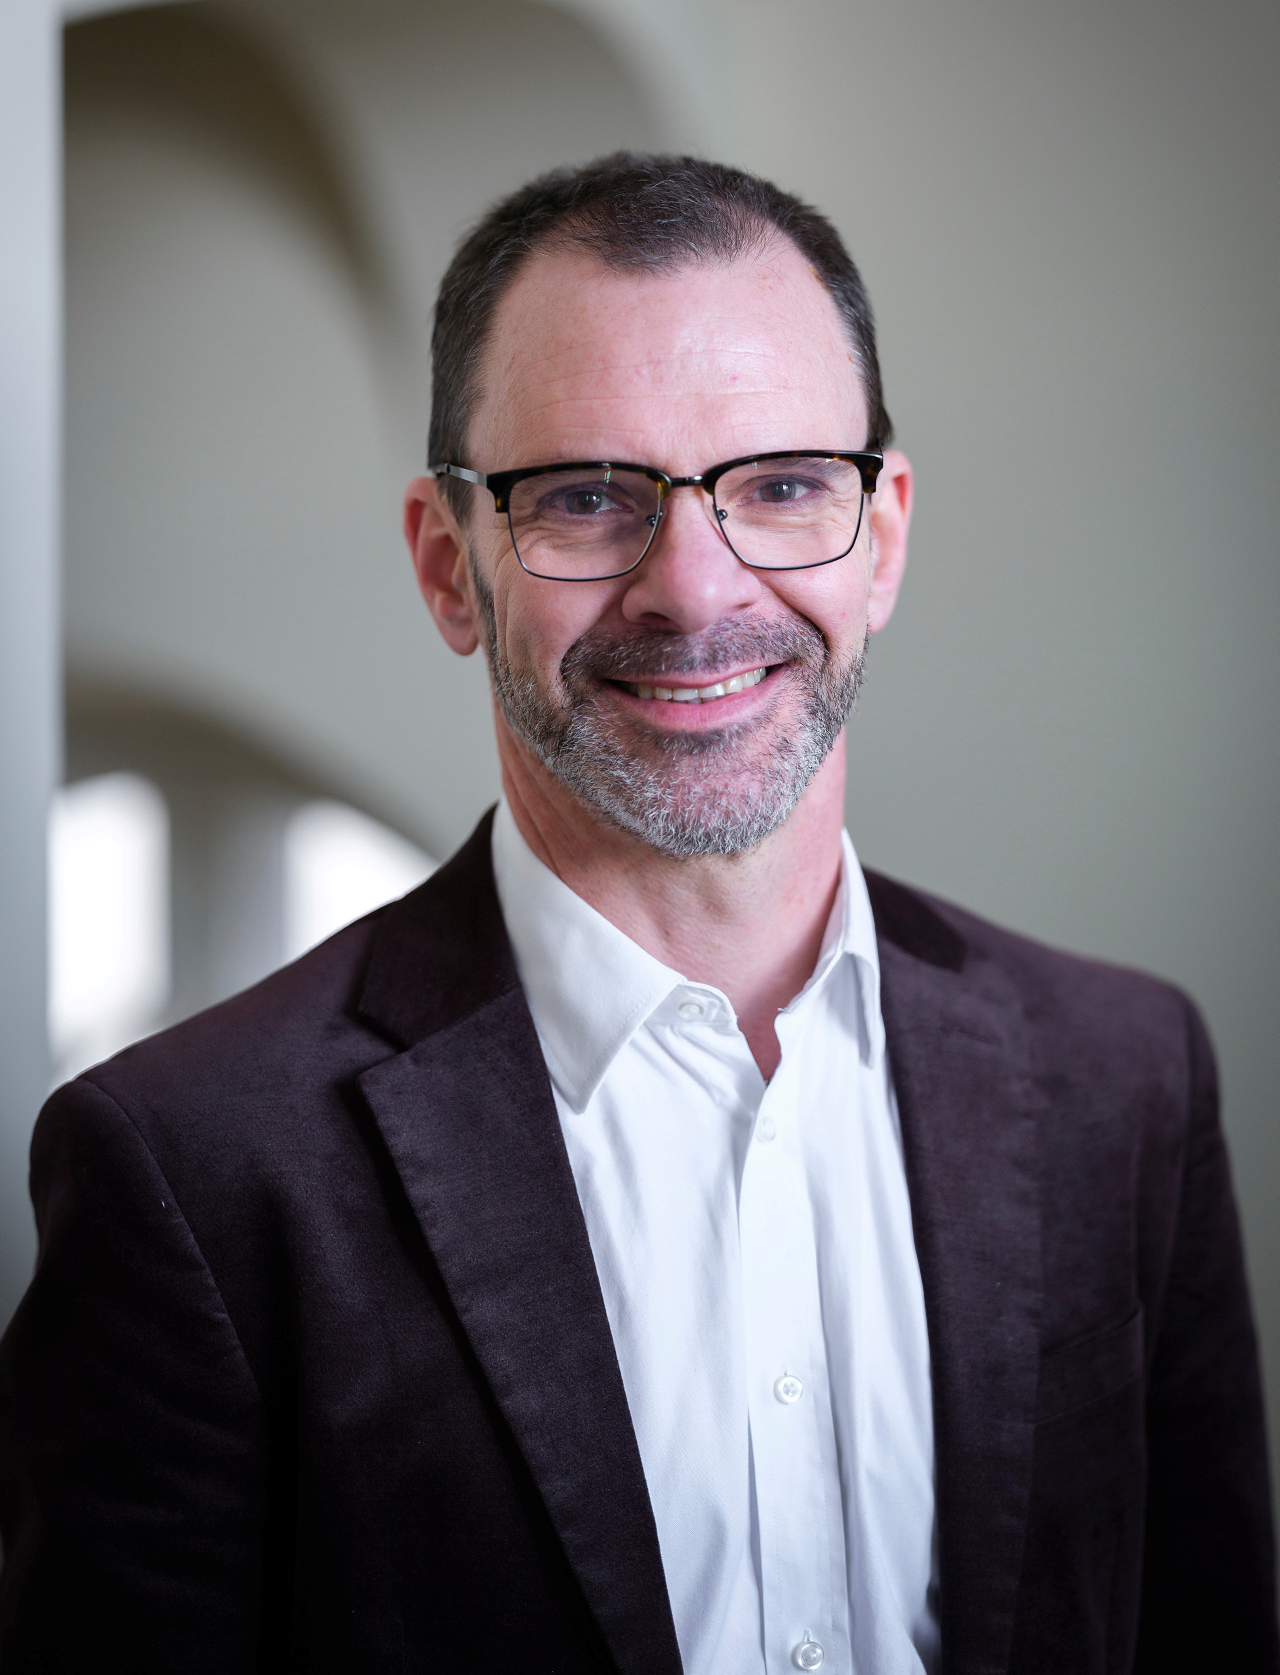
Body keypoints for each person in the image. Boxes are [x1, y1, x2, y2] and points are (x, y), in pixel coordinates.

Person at [1, 154, 1275, 1674]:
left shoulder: (1125, 1076)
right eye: (588, 498)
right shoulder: (190, 1171)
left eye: (783, 485)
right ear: (449, 567)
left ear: (882, 537)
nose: (694, 590)